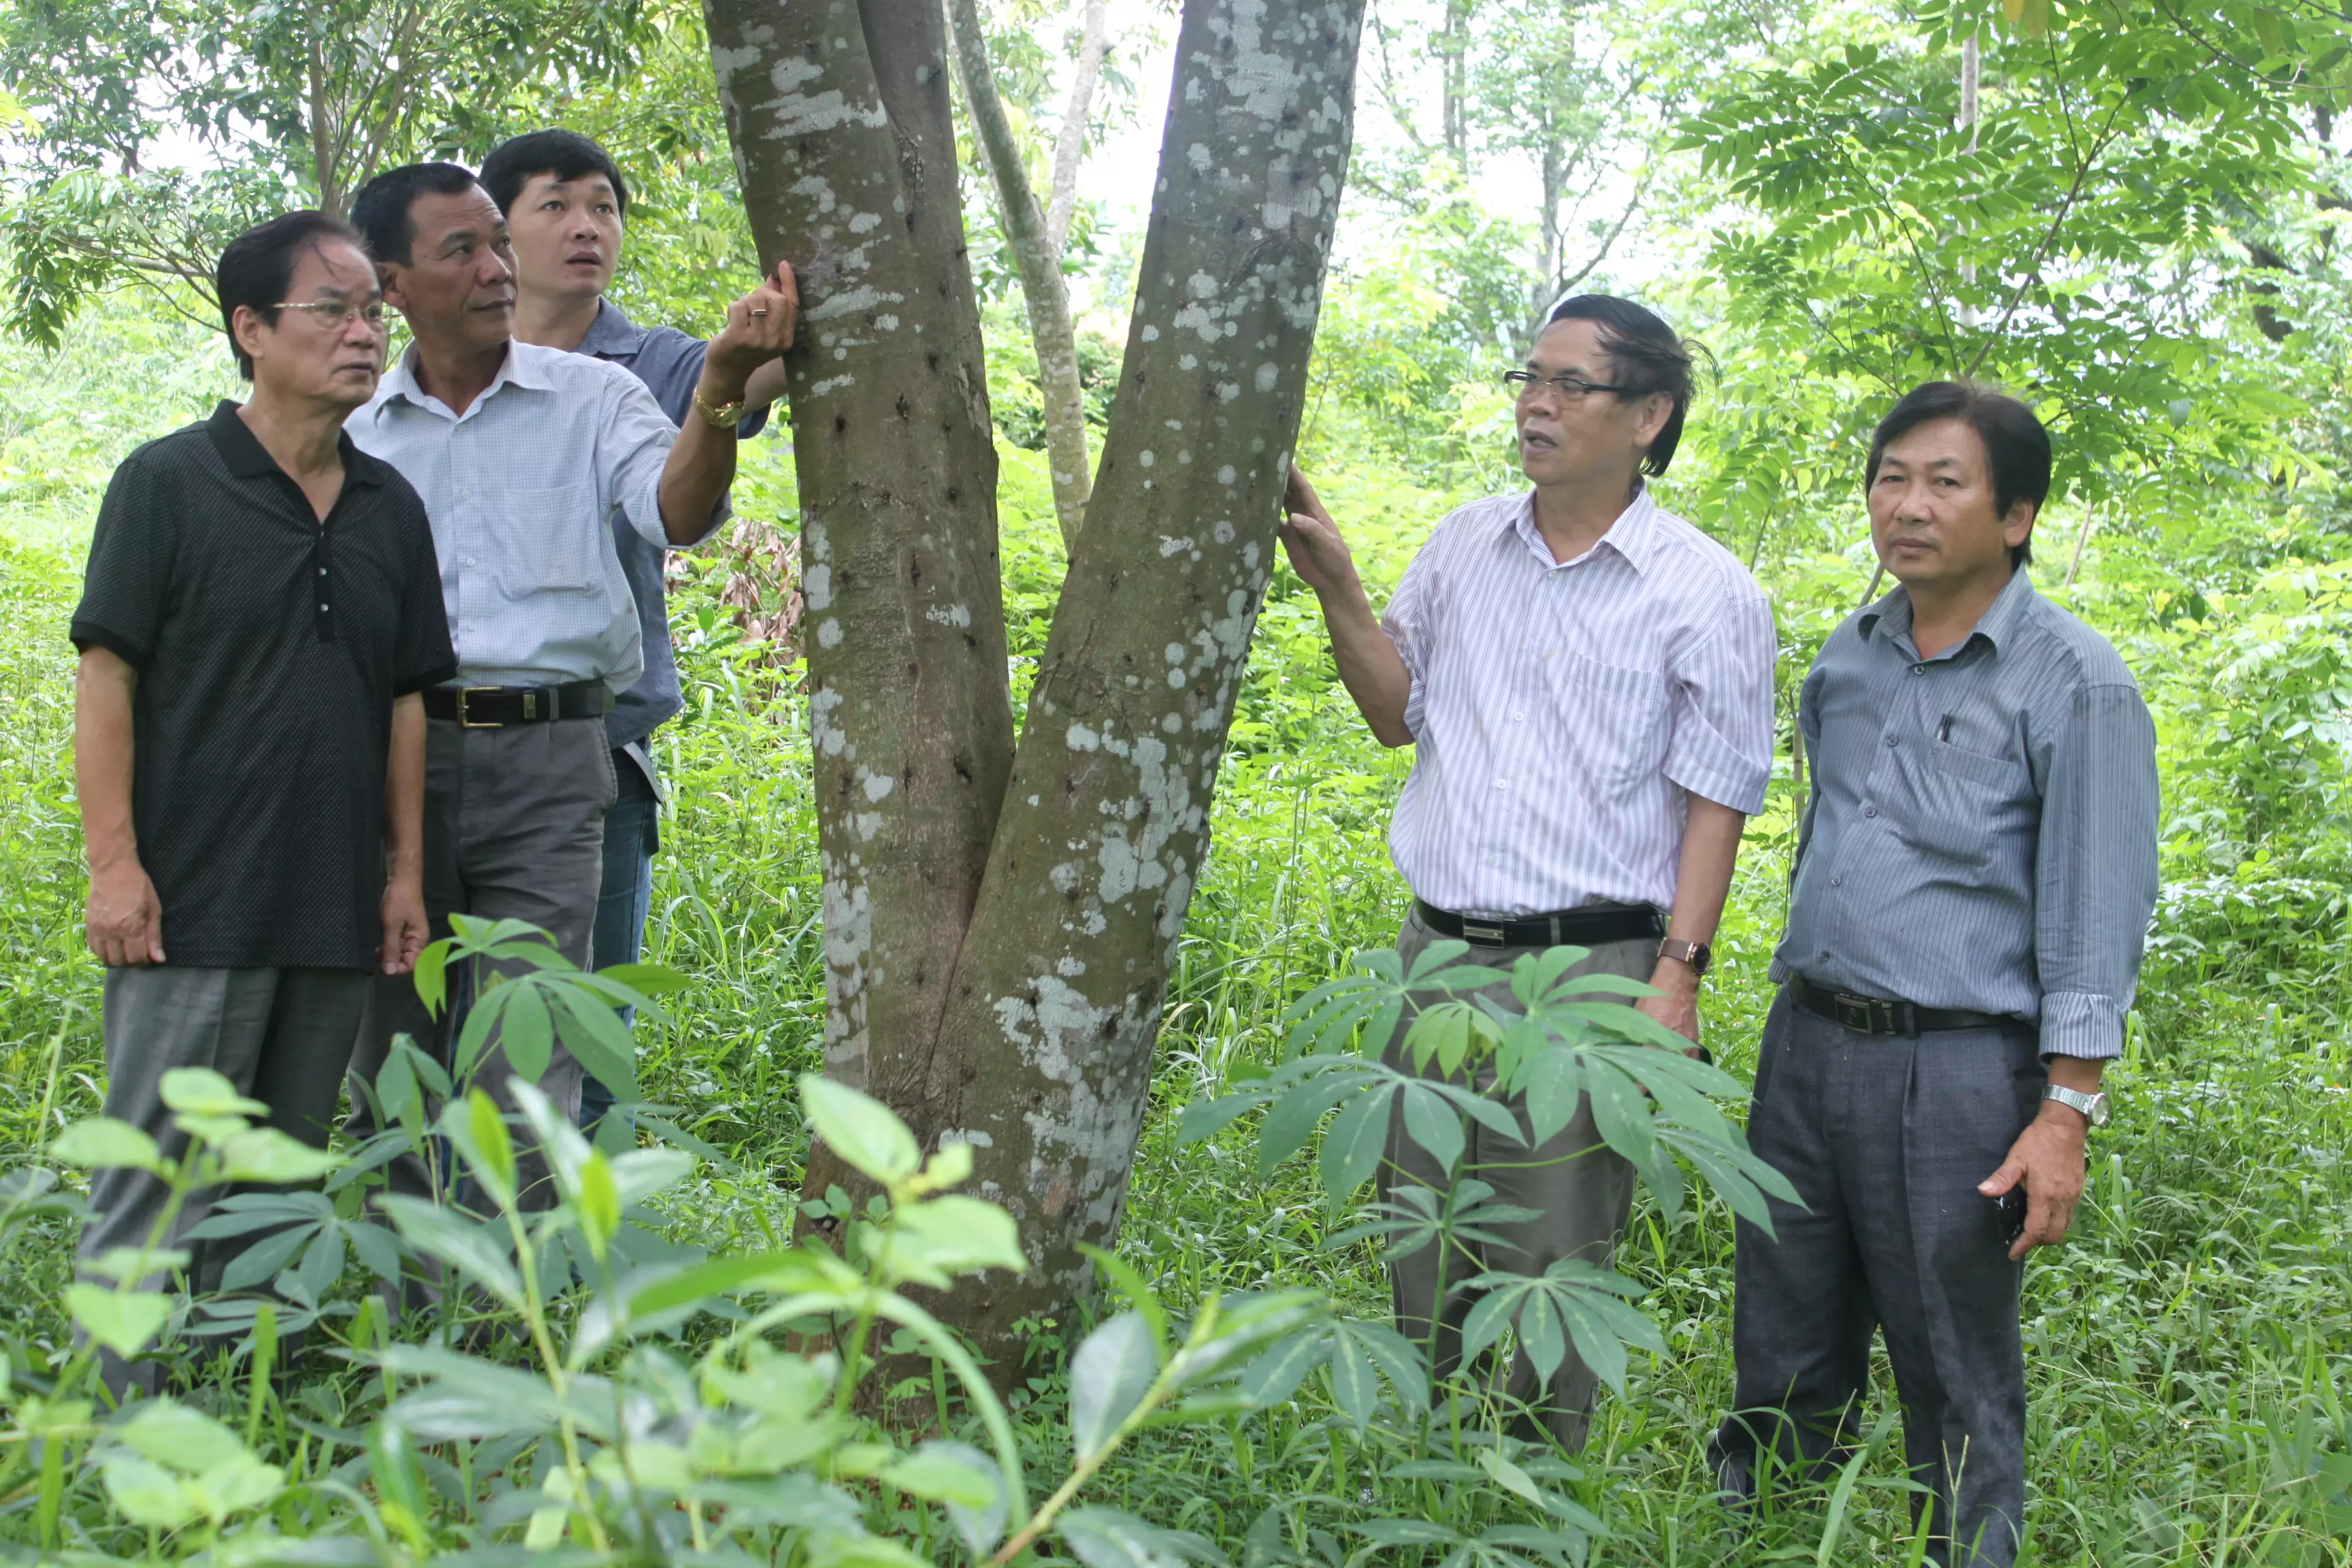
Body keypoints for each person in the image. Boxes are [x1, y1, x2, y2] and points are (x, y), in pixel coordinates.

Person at [1279, 295, 1778, 1449]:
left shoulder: (1706, 592)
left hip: (1594, 972)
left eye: (1571, 386)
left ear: (1649, 414)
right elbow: (1397, 717)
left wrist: (1679, 977)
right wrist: (1340, 589)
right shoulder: (1463, 544)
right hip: (1436, 960)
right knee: (1425, 1233)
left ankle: (1536, 1488)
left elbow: (1718, 803)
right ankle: (1426, 1468)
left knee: (1554, 1257)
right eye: (1529, 379)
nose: (1536, 405)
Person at [1710, 382, 2160, 1565]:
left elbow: (2097, 908)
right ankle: (1765, 1535)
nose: (1906, 506)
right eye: (1889, 476)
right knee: (1783, 1334)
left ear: (2014, 514)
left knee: (1952, 1362)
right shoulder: (1847, 661)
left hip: (1959, 1069)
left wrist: (2066, 1110)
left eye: (1944, 482)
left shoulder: (2077, 681)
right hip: (1806, 1040)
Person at [340, 161, 794, 1209]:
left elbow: (675, 514)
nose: (498, 269)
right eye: (464, 250)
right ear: (391, 282)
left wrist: (719, 389)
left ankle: (517, 1331)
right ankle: (397, 1327)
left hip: (551, 762)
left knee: (529, 1066)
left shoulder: (596, 396)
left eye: (500, 242)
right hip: (394, 764)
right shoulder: (358, 429)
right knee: (392, 1058)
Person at [69, 211, 453, 1391]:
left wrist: (399, 878)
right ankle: (108, 1430)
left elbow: (403, 702)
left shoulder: (392, 507)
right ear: (250, 329)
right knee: (159, 1171)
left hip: (329, 905)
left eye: (370, 312)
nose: (362, 332)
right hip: (195, 899)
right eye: (330, 309)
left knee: (278, 1183)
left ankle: (238, 1415)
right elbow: (107, 677)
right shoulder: (168, 483)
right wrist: (115, 865)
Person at [478, 128, 791, 1133]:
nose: (586, 227)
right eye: (557, 204)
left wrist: (763, 345)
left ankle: (582, 1267)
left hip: (593, 740)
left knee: (587, 1027)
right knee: (444, 1021)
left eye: (605, 208)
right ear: (497, 234)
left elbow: (744, 389)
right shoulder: (439, 373)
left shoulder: (652, 364)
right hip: (432, 737)